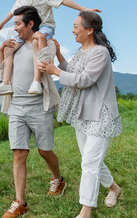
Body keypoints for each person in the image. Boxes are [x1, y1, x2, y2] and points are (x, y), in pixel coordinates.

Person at [39, 11, 122, 218]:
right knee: (89, 159)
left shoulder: (100, 52)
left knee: (89, 163)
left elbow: (85, 79)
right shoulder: (81, 51)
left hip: (100, 114)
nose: (72, 30)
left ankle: (85, 211)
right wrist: (58, 55)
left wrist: (55, 72)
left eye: (76, 26)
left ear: (89, 30)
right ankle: (114, 188)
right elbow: (72, 70)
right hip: (83, 113)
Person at [0, 0, 101, 96]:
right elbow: (12, 12)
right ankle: (6, 84)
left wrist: (84, 9)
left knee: (38, 38)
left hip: (44, 27)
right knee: (8, 48)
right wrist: (1, 24)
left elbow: (63, 1)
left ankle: (36, 81)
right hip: (26, 30)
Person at [1, 6, 66, 218]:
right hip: (17, 107)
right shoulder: (15, 46)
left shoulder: (41, 42)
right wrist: (3, 51)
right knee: (18, 153)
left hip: (39, 105)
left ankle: (58, 179)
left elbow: (48, 62)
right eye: (14, 24)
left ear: (30, 24)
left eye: (18, 24)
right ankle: (20, 203)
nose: (15, 28)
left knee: (44, 151)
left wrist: (44, 41)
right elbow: (3, 71)